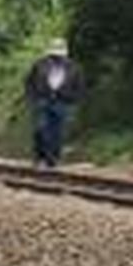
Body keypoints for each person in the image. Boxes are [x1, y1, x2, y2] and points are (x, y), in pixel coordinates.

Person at [25, 37, 84, 168]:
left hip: (62, 103)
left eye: (59, 56)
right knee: (40, 129)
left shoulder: (73, 68)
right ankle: (40, 157)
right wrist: (32, 98)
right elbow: (29, 82)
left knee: (58, 133)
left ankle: (53, 159)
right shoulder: (39, 65)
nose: (56, 58)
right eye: (54, 55)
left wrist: (73, 101)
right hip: (43, 101)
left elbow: (79, 86)